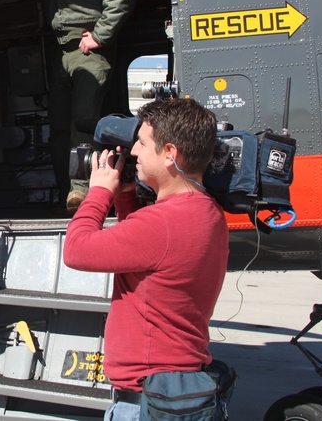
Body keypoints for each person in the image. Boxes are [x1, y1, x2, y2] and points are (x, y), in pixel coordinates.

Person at [63, 99, 230, 420]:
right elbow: (146, 255)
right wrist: (125, 195)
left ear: (170, 153)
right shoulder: (205, 211)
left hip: (147, 400)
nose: (134, 152)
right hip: (172, 387)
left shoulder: (163, 223)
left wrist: (98, 192)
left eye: (141, 143)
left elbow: (77, 250)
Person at [0, 0, 137, 212]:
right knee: (57, 127)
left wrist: (100, 34)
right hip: (62, 53)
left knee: (82, 123)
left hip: (89, 51)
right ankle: (65, 192)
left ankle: (82, 191)